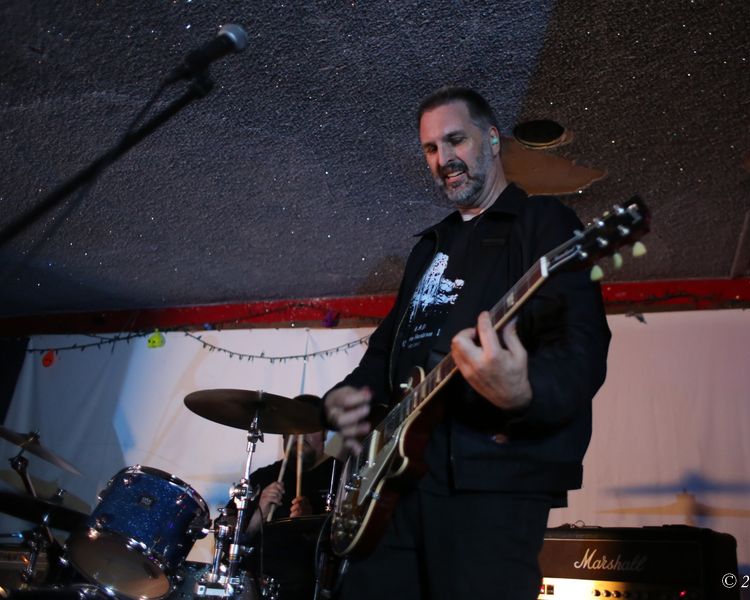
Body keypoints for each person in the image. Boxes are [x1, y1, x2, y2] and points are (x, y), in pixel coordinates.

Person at [322, 86, 611, 600]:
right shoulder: (430, 248)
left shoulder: (543, 223)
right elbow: (388, 350)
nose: (444, 159)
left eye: (456, 140)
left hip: (489, 482)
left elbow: (583, 345)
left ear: (493, 139)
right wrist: (347, 395)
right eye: (431, 148)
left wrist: (524, 393)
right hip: (397, 481)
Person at [228, 428, 338, 599]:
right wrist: (258, 516)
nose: (301, 435)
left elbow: (346, 546)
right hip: (251, 586)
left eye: (310, 427)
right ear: (284, 435)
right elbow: (226, 538)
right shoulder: (263, 477)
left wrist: (310, 524)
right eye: (293, 427)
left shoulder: (339, 475)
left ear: (324, 434)